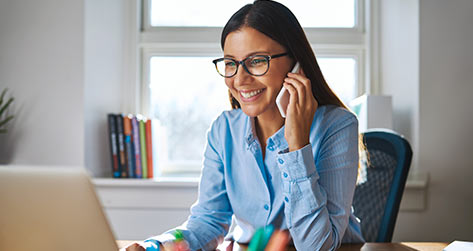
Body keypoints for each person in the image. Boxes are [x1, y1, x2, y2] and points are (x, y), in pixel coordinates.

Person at [125, 1, 364, 250]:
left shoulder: (337, 126)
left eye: (257, 61)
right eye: (230, 63)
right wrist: (155, 246)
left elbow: (317, 246)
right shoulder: (224, 130)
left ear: (296, 63)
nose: (240, 79)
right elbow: (208, 221)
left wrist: (297, 145)